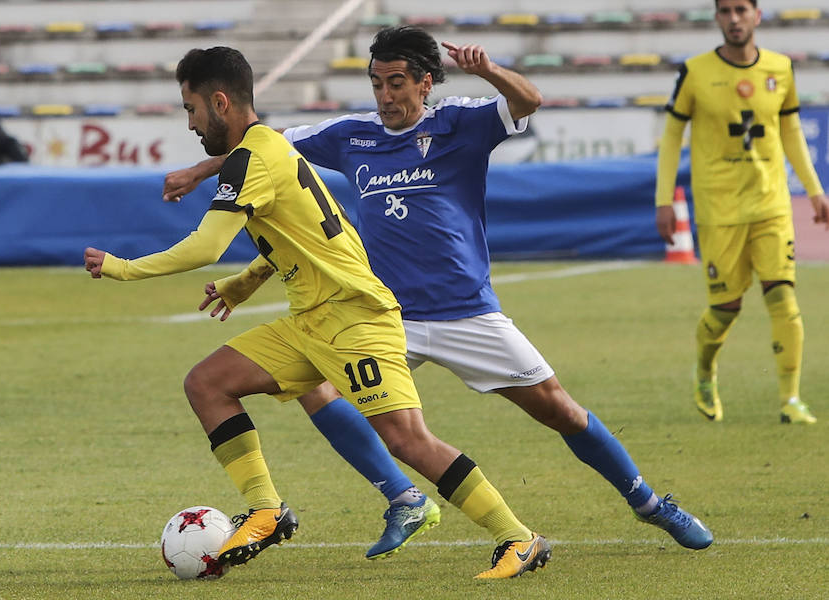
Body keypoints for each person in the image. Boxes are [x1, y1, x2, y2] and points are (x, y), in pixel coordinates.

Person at [165, 25, 714, 563]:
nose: (385, 97)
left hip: (466, 312)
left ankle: (648, 502)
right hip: (384, 316)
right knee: (316, 389)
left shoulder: (462, 123)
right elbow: (266, 149)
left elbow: (530, 99)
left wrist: (490, 71)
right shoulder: (350, 134)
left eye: (397, 83)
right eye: (378, 83)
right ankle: (402, 497)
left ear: (427, 84)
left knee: (561, 411)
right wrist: (203, 168)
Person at [87, 45, 551, 580]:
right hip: (311, 318)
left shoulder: (253, 158)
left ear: (219, 102)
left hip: (355, 318)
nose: (190, 124)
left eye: (191, 110)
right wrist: (245, 282)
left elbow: (204, 247)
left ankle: (518, 538)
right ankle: (266, 509)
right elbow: (301, 233)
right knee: (208, 383)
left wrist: (121, 268)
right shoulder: (266, 152)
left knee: (407, 440)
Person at [655, 0, 827, 424]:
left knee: (783, 295)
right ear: (717, 18)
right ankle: (705, 370)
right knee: (725, 307)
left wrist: (816, 190)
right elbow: (672, 135)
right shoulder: (694, 72)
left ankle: (790, 399)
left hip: (771, 203)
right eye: (726, 11)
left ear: (757, 15)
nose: (734, 19)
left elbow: (789, 131)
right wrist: (663, 199)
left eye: (741, 10)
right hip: (719, 207)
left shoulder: (780, 68)